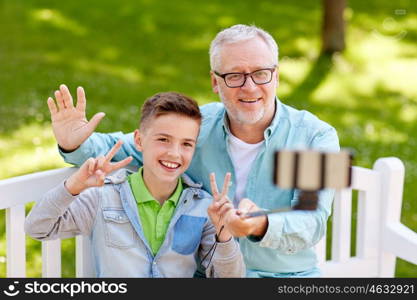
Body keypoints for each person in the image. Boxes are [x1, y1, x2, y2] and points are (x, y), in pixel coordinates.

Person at [49, 24, 339, 277]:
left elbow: (312, 221)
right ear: (215, 81)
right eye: (235, 76)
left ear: (276, 75)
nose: (250, 88)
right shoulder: (195, 128)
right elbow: (117, 148)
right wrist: (73, 142)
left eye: (261, 74)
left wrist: (256, 225)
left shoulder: (317, 137)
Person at [25, 92, 245, 278]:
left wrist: (223, 235)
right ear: (139, 141)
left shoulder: (203, 207)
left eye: (186, 144)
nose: (174, 153)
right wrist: (73, 186)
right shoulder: (103, 197)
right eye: (163, 139)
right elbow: (38, 228)